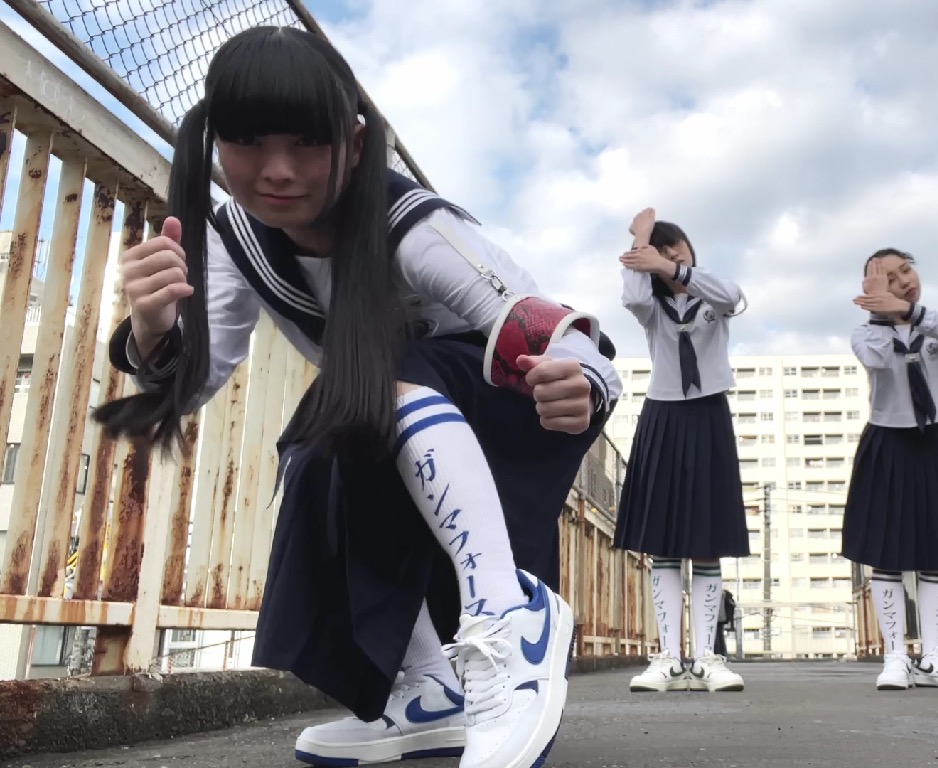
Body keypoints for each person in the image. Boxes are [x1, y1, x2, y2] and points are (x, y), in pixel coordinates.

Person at [92, 26, 621, 768]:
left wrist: (581, 381)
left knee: (382, 382)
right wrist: (152, 331)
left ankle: (509, 615)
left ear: (357, 142)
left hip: (501, 422)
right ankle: (429, 687)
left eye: (308, 143)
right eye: (247, 141)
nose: (278, 170)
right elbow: (193, 384)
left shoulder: (416, 227)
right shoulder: (236, 241)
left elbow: (537, 320)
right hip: (384, 424)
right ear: (214, 141)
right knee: (314, 451)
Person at [613, 208, 748, 693]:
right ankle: (669, 657)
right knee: (665, 543)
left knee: (707, 540)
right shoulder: (652, 309)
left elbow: (733, 296)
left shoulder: (712, 294)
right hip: (664, 416)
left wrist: (670, 266)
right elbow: (633, 295)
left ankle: (708, 657)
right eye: (661, 252)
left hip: (709, 414)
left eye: (678, 249)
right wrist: (640, 242)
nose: (670, 257)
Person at [843, 248, 938, 691]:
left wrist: (906, 309)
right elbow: (876, 359)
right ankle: (894, 655)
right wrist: (881, 313)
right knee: (886, 553)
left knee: (937, 552)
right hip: (887, 442)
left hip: (934, 441)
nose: (905, 280)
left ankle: (935, 655)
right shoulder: (864, 333)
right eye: (890, 277)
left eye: (906, 270)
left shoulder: (935, 323)